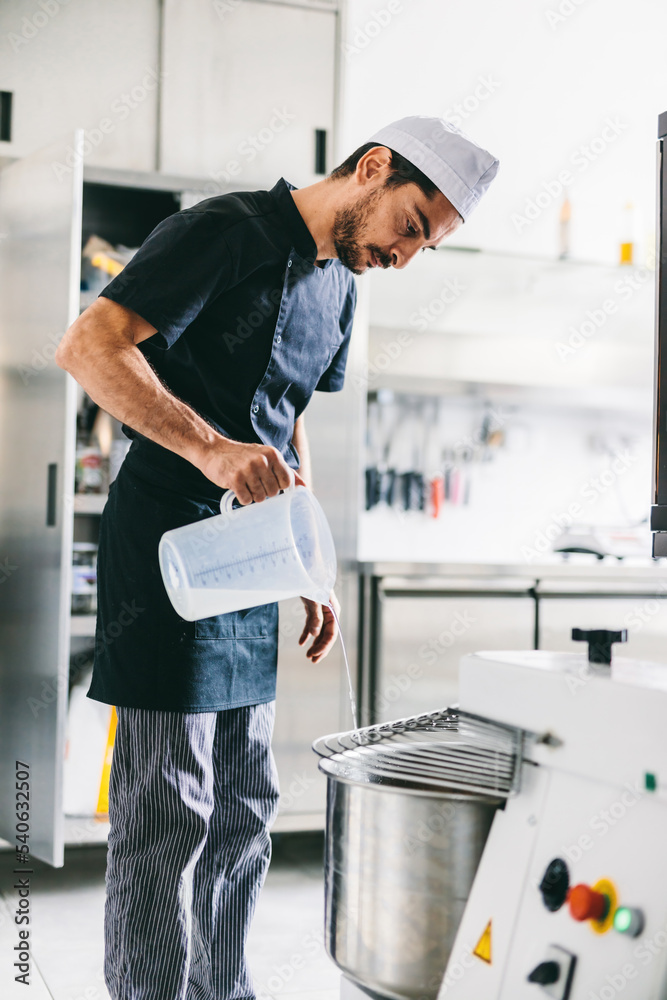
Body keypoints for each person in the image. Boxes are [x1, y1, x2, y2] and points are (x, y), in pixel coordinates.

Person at [56, 115, 499, 1000]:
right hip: (170, 548)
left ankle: (223, 990)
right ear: (372, 168)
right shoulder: (221, 232)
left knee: (245, 805)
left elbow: (287, 417)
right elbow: (89, 347)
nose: (404, 255)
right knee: (167, 809)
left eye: (426, 248)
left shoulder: (342, 283)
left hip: (255, 550)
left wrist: (308, 555)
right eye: (409, 226)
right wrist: (213, 449)